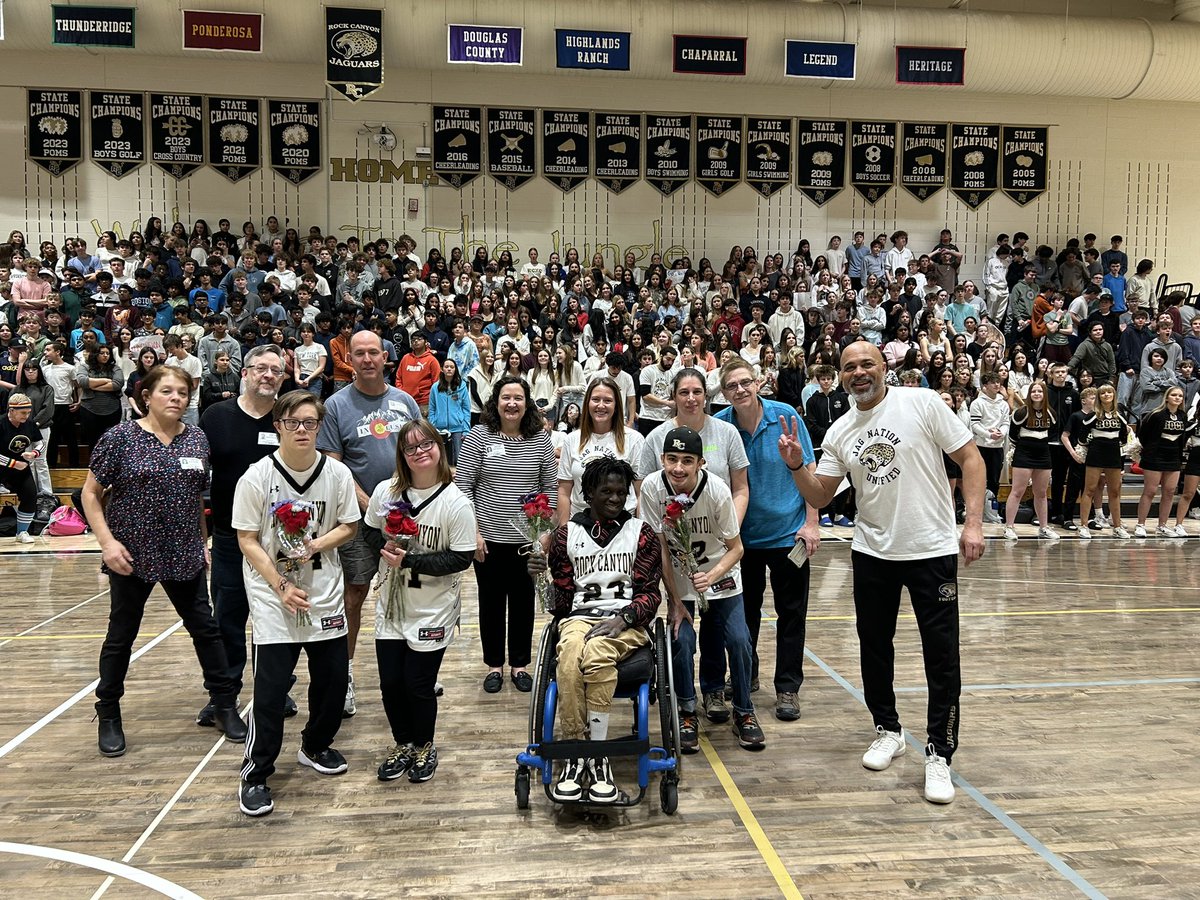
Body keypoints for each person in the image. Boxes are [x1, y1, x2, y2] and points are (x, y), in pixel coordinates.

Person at [779, 341, 985, 804]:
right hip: (872, 552)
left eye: (866, 363)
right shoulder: (840, 430)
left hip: (931, 550)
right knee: (873, 647)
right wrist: (795, 466)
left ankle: (940, 752)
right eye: (849, 366)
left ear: (883, 366)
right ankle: (888, 730)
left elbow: (971, 458)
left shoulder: (922, 402)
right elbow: (820, 495)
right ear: (841, 375)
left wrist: (973, 523)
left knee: (941, 655)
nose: (858, 372)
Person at [82, 365, 246, 757]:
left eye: (183, 393)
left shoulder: (197, 439)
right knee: (122, 634)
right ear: (147, 396)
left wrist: (202, 543)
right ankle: (108, 711)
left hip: (184, 549)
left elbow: (196, 498)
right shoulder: (120, 437)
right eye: (167, 391)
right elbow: (89, 493)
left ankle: (224, 704)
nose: (176, 398)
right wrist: (107, 543)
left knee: (205, 629)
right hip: (131, 551)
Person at [232, 391, 360, 817]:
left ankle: (315, 745)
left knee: (333, 682)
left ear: (319, 427)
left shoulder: (337, 474)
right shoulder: (256, 477)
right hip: (274, 594)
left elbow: (349, 525)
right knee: (270, 693)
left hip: (324, 590)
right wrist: (281, 585)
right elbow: (246, 539)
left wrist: (317, 545)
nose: (302, 429)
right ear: (278, 427)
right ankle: (256, 773)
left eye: (310, 422)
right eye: (293, 422)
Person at [528, 457, 662, 803]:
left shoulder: (642, 533)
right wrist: (539, 578)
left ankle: (598, 755)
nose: (616, 498)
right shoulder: (565, 535)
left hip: (626, 621)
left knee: (598, 652)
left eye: (621, 492)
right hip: (578, 618)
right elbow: (560, 604)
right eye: (607, 492)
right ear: (588, 493)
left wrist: (625, 618)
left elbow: (650, 594)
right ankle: (577, 751)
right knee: (570, 655)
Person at [363, 422, 476, 785]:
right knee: (390, 683)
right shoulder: (386, 491)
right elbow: (368, 529)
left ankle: (425, 745)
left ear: (439, 447)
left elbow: (461, 558)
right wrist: (383, 546)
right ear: (402, 455)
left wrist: (409, 561)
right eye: (410, 448)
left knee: (417, 683)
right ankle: (403, 744)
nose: (420, 452)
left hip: (433, 608)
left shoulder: (456, 502)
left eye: (426, 444)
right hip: (392, 605)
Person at [317, 332, 421, 716]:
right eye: (358, 353)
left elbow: (422, 451)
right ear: (350, 359)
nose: (366, 359)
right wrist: (373, 507)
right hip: (358, 519)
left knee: (409, 591)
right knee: (356, 592)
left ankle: (415, 669)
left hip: (406, 516)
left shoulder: (404, 401)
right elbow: (334, 464)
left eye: (373, 352)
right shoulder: (335, 405)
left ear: (385, 357)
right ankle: (343, 676)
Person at [640, 426, 762, 752]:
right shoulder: (652, 487)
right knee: (681, 639)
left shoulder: (718, 490)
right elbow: (660, 549)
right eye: (672, 459)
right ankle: (686, 711)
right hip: (680, 578)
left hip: (720, 571)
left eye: (687, 460)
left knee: (739, 640)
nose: (678, 468)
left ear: (700, 463)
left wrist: (713, 575)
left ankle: (744, 711)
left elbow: (737, 548)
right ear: (662, 459)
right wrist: (674, 600)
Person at [715, 358, 820, 722]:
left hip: (789, 536)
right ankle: (746, 673)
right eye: (732, 386)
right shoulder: (721, 426)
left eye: (745, 382)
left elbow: (809, 470)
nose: (740, 390)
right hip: (742, 540)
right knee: (743, 616)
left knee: (792, 615)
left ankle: (788, 687)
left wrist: (811, 523)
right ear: (724, 392)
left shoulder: (786, 415)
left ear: (758, 382)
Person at [197, 346, 293, 727]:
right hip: (229, 538)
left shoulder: (288, 419)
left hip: (280, 540)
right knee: (228, 619)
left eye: (276, 370)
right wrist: (200, 536)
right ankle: (224, 694)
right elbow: (197, 479)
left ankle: (275, 689)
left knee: (277, 619)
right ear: (246, 372)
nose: (268, 375)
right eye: (261, 368)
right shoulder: (215, 416)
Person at [455, 375, 557, 693]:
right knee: (491, 604)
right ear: (496, 402)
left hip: (527, 543)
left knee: (524, 604)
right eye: (506, 398)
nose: (512, 404)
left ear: (527, 404)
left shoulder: (540, 439)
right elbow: (463, 487)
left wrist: (544, 533)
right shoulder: (478, 436)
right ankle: (494, 665)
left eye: (518, 398)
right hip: (487, 540)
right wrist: (473, 533)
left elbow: (549, 489)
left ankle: (520, 665)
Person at [556, 376, 647, 522]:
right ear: (587, 403)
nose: (601, 405)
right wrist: (564, 529)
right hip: (580, 522)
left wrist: (640, 528)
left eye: (608, 401)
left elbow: (640, 492)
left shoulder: (634, 439)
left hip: (622, 523)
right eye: (596, 399)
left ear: (617, 405)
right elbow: (564, 492)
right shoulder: (571, 439)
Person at [1003, 382, 1058, 541]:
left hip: (1043, 454)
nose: (1037, 394)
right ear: (1029, 394)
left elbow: (1053, 432)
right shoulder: (1021, 412)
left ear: (1044, 394)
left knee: (1041, 493)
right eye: (1034, 391)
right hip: (1024, 453)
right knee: (1017, 491)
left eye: (1040, 391)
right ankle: (1009, 527)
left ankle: (1043, 528)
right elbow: (1013, 435)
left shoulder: (1051, 413)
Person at [1133, 386, 1189, 537]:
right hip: (1154, 457)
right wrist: (1149, 451)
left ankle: (1162, 525)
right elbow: (1143, 435)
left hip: (1173, 458)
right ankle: (1140, 524)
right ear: (1167, 397)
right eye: (1174, 395)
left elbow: (1183, 437)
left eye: (1180, 396)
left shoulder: (1183, 416)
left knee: (1169, 492)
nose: (1177, 398)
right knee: (1150, 491)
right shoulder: (1156, 415)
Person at [1077, 383, 1130, 540]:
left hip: (1113, 456)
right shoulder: (1092, 416)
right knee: (1089, 490)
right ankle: (1083, 526)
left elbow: (1123, 438)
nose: (1106, 395)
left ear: (1114, 395)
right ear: (1099, 397)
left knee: (1114, 492)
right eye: (1103, 393)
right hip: (1096, 455)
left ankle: (1117, 527)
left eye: (1109, 392)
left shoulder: (1120, 416)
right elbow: (1082, 438)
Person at [0, 393, 43, 544]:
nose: (27, 416)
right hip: (4, 466)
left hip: (20, 467)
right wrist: (13, 463)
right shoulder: (1, 423)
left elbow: (40, 443)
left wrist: (34, 453)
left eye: (28, 412)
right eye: (23, 412)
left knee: (30, 494)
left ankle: (22, 532)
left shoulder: (29, 424)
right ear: (11, 410)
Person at [427, 358, 470, 466]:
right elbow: (432, 409)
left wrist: (466, 429)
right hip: (440, 429)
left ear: (455, 369)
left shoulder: (462, 386)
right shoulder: (435, 387)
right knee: (442, 461)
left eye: (452, 367)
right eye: (446, 367)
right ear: (442, 369)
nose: (449, 369)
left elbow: (466, 409)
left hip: (458, 428)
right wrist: (432, 427)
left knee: (459, 460)